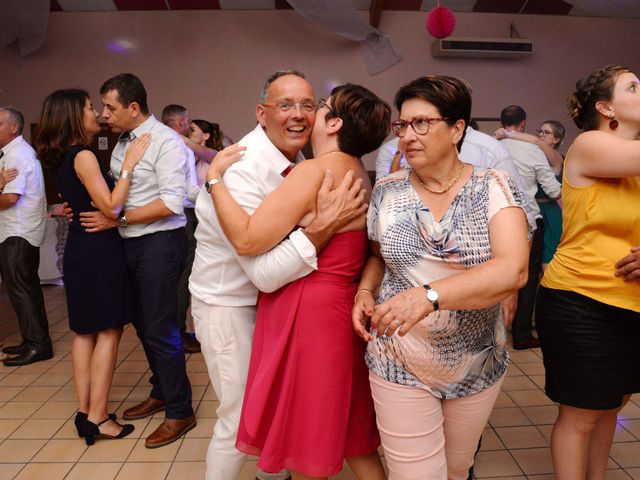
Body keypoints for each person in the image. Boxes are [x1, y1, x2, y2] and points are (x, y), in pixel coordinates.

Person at [188, 70, 368, 480]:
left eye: (309, 105)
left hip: (275, 304)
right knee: (238, 417)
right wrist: (322, 227)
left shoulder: (303, 161)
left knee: (276, 413)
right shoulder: (243, 168)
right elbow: (263, 272)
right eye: (285, 105)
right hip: (230, 304)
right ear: (262, 113)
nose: (300, 115)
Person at [352, 76, 530, 479]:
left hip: (475, 360)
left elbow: (512, 268)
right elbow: (379, 257)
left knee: (455, 468)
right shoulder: (387, 190)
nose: (408, 136)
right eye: (403, 125)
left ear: (457, 129)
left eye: (422, 123)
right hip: (398, 354)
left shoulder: (492, 187)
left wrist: (428, 296)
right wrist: (366, 289)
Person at [78, 73, 195, 448]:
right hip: (129, 242)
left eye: (110, 107)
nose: (103, 114)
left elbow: (170, 203)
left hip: (159, 243)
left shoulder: (168, 142)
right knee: (144, 326)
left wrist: (119, 219)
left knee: (162, 329)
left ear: (133, 107)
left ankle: (180, 410)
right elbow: (120, 192)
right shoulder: (123, 142)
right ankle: (161, 390)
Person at [535, 65, 640, 480]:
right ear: (605, 107)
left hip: (630, 304)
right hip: (580, 301)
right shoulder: (590, 145)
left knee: (611, 406)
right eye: (633, 86)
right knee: (581, 415)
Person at [33, 89, 150, 444]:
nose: (96, 113)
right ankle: (100, 417)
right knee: (109, 332)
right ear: (72, 115)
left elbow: (79, 201)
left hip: (80, 250)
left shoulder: (58, 158)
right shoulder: (83, 155)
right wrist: (129, 163)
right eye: (88, 108)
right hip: (100, 250)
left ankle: (86, 412)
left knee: (84, 332)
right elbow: (112, 207)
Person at [498, 105, 561, 350]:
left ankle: (496, 330)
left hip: (495, 219)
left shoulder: (493, 146)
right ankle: (522, 333)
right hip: (527, 218)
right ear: (522, 124)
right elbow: (553, 189)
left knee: (497, 271)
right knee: (528, 276)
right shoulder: (533, 150)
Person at [0, 106, 52, 367]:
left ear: (14, 127)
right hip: (14, 230)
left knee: (22, 289)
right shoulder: (12, 153)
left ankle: (37, 345)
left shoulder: (18, 155)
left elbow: (10, 198)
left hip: (18, 231)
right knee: (23, 288)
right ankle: (32, 339)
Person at [496, 120, 565, 269]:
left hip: (548, 211)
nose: (541, 135)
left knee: (547, 260)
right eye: (540, 131)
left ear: (556, 139)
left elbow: (535, 141)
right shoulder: (533, 153)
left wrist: (507, 133)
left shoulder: (555, 157)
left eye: (546, 132)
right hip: (533, 209)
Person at [162, 104, 202, 354]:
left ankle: (171, 333)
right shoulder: (181, 146)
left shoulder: (158, 141)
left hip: (162, 219)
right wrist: (216, 194)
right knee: (183, 281)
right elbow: (189, 191)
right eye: (188, 121)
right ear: (180, 122)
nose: (189, 125)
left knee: (170, 280)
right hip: (183, 216)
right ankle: (178, 334)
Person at [189, 119, 223, 186]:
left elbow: (187, 142)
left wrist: (173, 134)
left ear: (205, 136)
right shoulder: (190, 156)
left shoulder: (212, 154)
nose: (188, 133)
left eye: (192, 130)